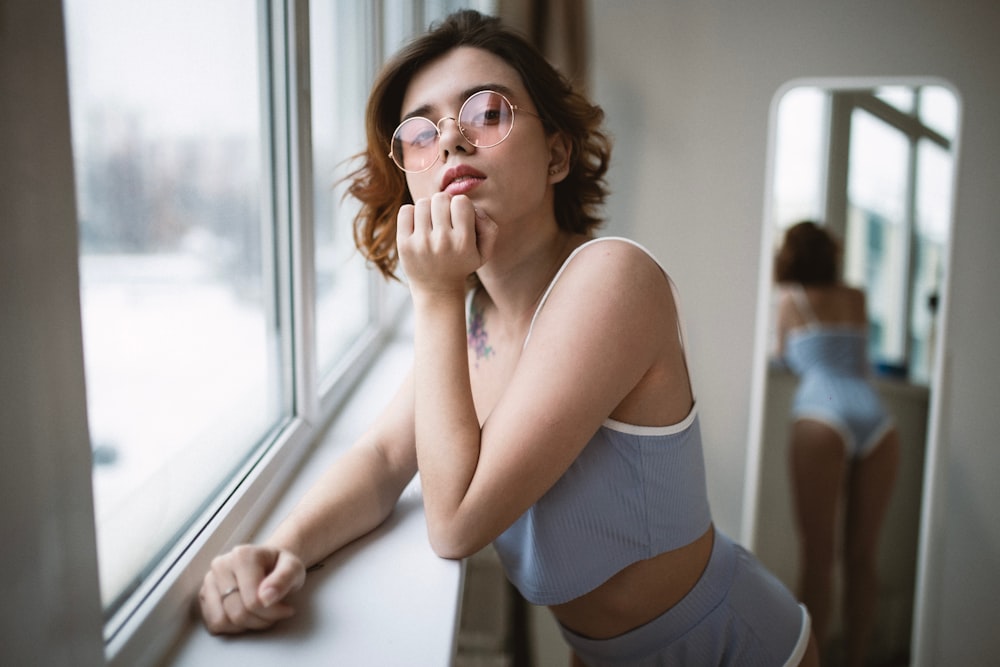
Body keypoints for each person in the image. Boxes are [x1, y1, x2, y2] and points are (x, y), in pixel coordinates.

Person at [199, 10, 818, 665]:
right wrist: (284, 546)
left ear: (556, 153)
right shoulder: (475, 320)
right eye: (420, 132)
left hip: (734, 648)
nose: (450, 143)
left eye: (486, 114)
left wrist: (434, 292)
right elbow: (384, 459)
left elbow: (455, 522)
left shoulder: (612, 279)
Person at [774, 221, 901, 667]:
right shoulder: (856, 297)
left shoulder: (789, 299)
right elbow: (864, 360)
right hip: (876, 416)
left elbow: (785, 358)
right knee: (863, 557)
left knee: (817, 556)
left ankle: (815, 660)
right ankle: (859, 657)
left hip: (821, 411)